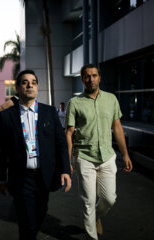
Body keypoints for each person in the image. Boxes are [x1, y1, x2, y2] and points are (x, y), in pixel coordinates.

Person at [0, 69, 72, 240]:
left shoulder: (49, 112)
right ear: (17, 88)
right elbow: (1, 150)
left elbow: (61, 144)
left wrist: (65, 170)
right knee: (27, 222)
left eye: (33, 82)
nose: (29, 85)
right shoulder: (7, 116)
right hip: (21, 177)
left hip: (45, 176)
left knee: (39, 214)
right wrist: (1, 178)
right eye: (24, 82)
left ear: (37, 88)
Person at [65, 64, 133, 240]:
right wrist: (68, 161)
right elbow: (69, 133)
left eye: (94, 75)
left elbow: (117, 127)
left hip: (107, 156)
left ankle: (96, 216)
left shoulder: (111, 99)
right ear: (82, 79)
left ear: (99, 77)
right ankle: (91, 236)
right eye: (87, 76)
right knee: (87, 201)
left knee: (110, 198)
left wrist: (125, 154)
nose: (91, 79)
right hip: (84, 157)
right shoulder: (75, 103)